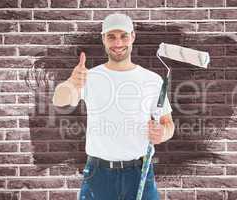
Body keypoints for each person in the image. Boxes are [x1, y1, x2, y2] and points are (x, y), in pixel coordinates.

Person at [53, 13, 175, 200]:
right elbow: (59, 100)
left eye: (123, 36)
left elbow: (168, 124)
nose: (118, 43)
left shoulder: (152, 80)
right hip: (98, 174)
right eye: (111, 36)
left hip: (140, 172)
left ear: (133, 36)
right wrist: (72, 82)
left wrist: (162, 133)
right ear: (103, 39)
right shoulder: (90, 77)